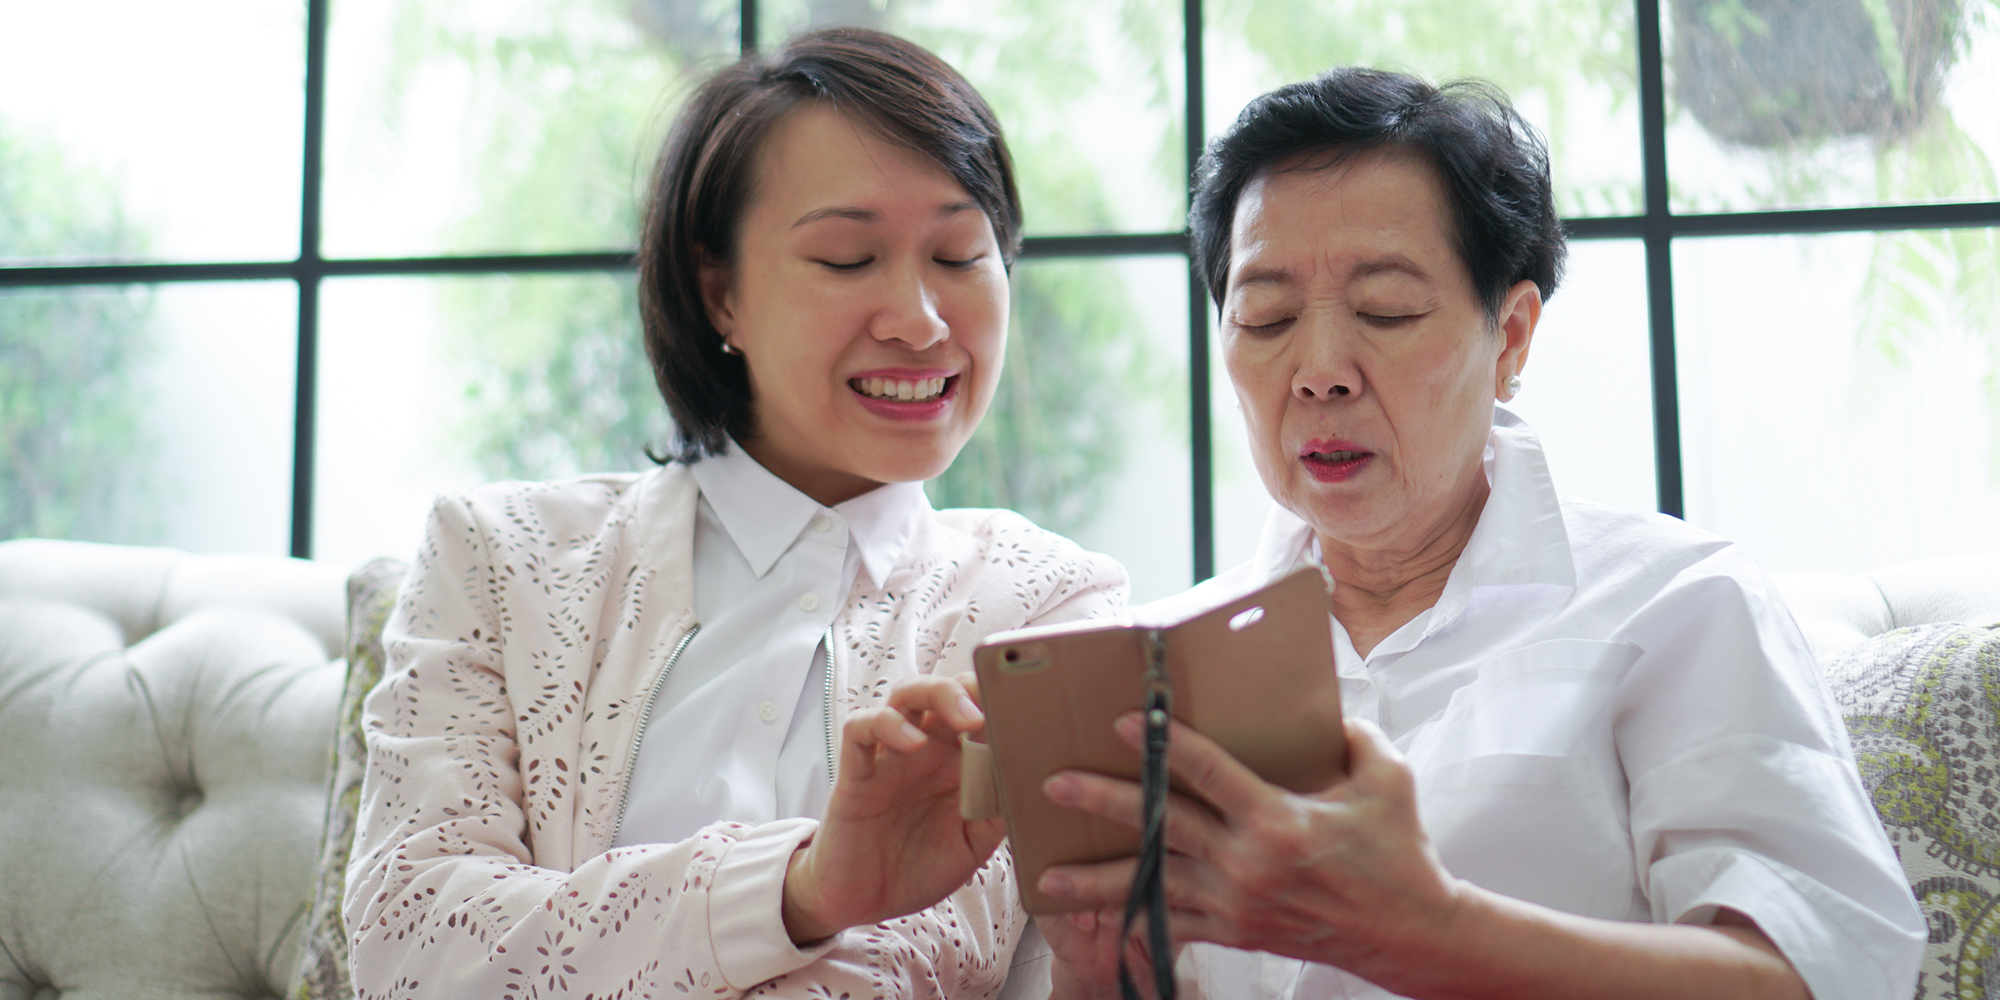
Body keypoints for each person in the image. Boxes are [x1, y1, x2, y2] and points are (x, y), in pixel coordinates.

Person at [1031, 68, 1925, 1000]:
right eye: (1267, 318)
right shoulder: (1158, 665)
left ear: (1512, 336)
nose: (1321, 371)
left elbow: (1830, 973)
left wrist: (1431, 934)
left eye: (1386, 310)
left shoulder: (1678, 604)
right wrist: (1098, 974)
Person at [343, 27, 1126, 999]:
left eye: (961, 252)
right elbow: (407, 944)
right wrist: (799, 889)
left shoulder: (1052, 609)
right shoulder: (499, 559)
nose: (920, 320)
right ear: (720, 292)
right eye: (846, 258)